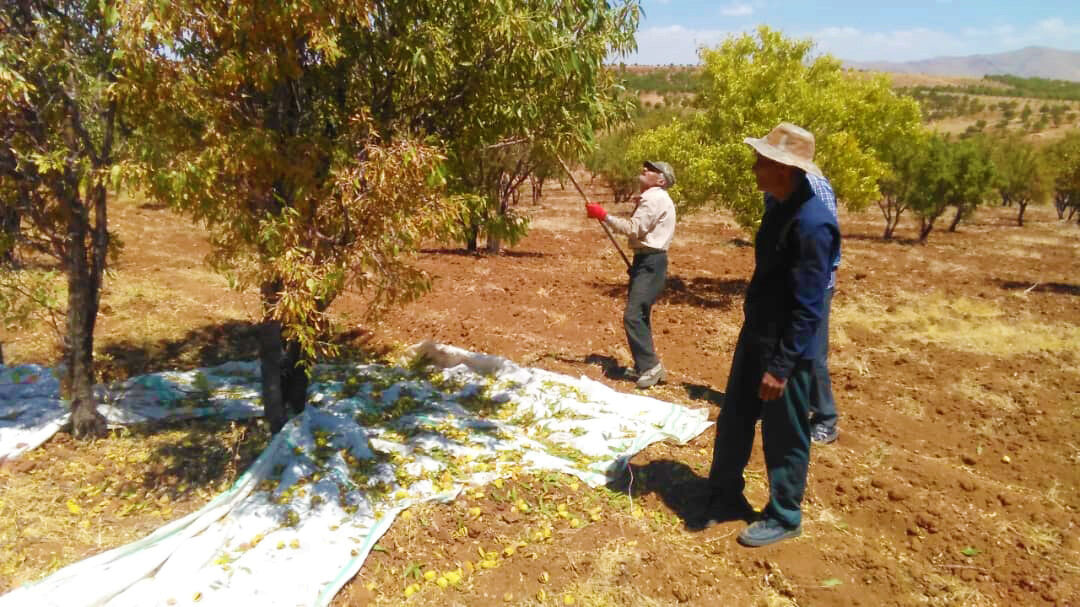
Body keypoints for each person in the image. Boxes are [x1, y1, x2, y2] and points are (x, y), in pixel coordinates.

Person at [705, 123, 840, 547]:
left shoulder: (814, 224)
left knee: (784, 435)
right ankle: (724, 494)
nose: (754, 167)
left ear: (784, 168)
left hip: (785, 350)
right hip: (756, 336)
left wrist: (781, 366)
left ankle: (784, 515)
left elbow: (809, 307)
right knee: (735, 419)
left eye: (762, 161)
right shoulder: (777, 206)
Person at [585, 161, 677, 389]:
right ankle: (643, 365)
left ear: (661, 180)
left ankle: (650, 367)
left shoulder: (654, 198)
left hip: (650, 261)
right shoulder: (654, 198)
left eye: (652, 170)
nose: (645, 170)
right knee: (641, 315)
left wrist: (603, 215)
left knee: (633, 316)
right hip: (648, 260)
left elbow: (634, 229)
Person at [766, 174, 841, 445]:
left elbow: (822, 237)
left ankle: (825, 419)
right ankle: (786, 406)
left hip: (811, 285)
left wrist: (819, 278)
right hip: (786, 284)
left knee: (811, 353)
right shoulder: (778, 188)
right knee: (787, 349)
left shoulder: (813, 186)